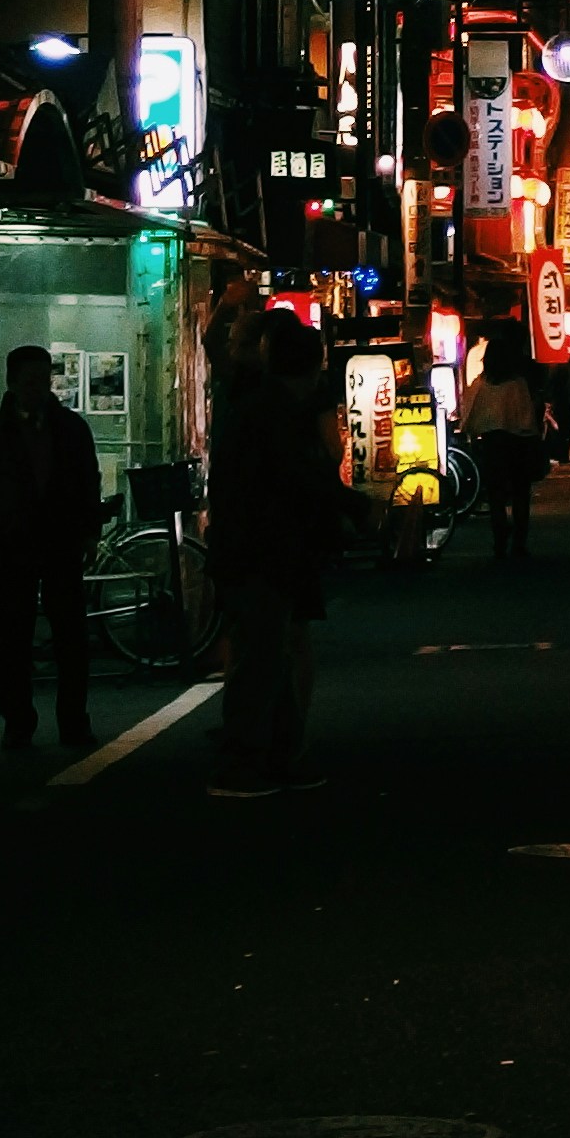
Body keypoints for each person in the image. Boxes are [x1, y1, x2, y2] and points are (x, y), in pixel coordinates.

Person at [206, 310, 343, 795]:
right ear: (312, 368)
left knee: (272, 655)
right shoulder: (276, 411)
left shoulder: (255, 403)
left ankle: (277, 754)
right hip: (262, 552)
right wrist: (350, 506)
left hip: (258, 550)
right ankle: (242, 762)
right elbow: (300, 476)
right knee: (264, 658)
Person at [0, 346, 104, 755]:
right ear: (12, 382)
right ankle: (19, 723)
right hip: (13, 546)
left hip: (60, 543)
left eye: (44, 381)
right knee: (14, 640)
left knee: (71, 639)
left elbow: (88, 481)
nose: (39, 389)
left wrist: (90, 532)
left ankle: (73, 721)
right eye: (30, 381)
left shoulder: (70, 427)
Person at [461, 322, 546, 561]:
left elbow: (470, 414)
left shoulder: (481, 384)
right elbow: (528, 417)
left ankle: (499, 541)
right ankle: (519, 542)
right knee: (520, 493)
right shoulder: (517, 383)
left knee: (496, 494)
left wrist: (472, 434)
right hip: (519, 442)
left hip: (492, 444)